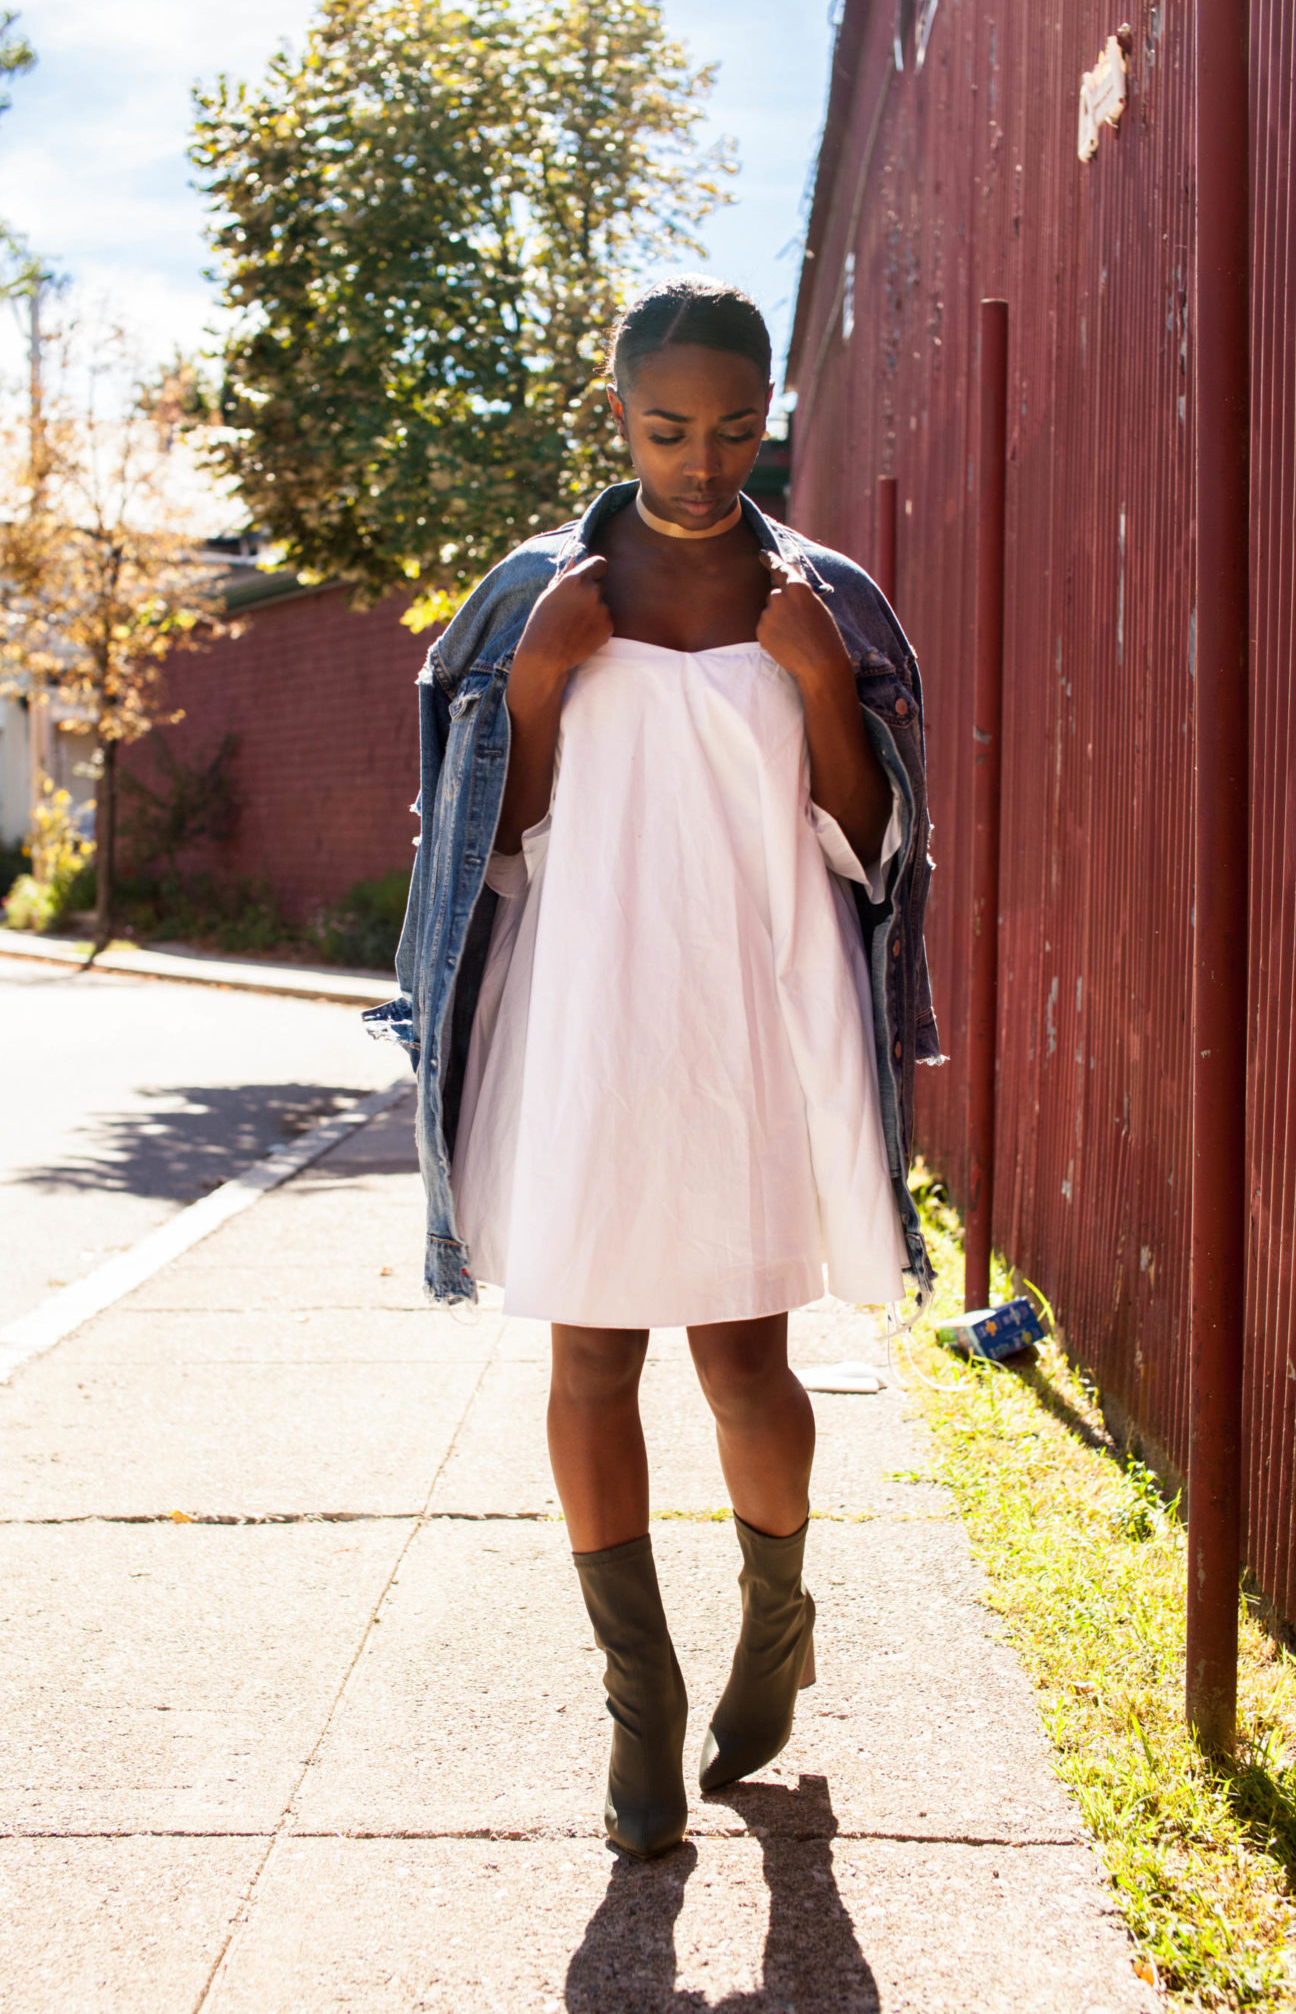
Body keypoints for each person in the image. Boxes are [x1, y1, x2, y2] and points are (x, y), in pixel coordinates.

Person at [381, 276, 939, 1860]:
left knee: (745, 1363)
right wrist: (546, 679)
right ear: (616, 414)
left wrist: (822, 678)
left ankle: (775, 1630)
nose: (702, 463)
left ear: (770, 419)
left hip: (756, 1007)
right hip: (590, 1012)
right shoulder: (523, 600)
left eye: (734, 429)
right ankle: (639, 1700)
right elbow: (485, 851)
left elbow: (873, 845)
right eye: (667, 427)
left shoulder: (827, 594)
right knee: (590, 1364)